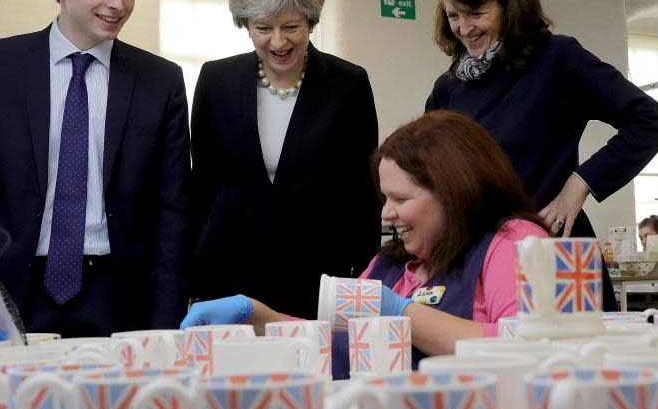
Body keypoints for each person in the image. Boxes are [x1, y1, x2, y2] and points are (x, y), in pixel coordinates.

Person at [0, 0, 190, 337]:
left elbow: (172, 212)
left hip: (120, 299)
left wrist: (167, 323)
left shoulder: (160, 81)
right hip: (15, 293)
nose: (118, 3)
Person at [181, 111, 552, 378]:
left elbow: (527, 347)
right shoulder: (390, 266)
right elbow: (332, 341)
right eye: (385, 198)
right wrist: (258, 318)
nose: (387, 213)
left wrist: (400, 313)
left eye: (401, 199)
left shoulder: (512, 242)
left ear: (455, 191)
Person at [424, 0, 658, 310]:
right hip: (476, 258)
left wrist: (580, 183)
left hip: (554, 255)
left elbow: (649, 121)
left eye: (476, 13)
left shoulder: (557, 60)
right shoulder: (448, 89)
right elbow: (429, 176)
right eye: (453, 16)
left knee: (575, 363)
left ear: (509, 7)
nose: (464, 28)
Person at [187, 0, 381, 320]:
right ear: (245, 24)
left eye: (291, 26)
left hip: (319, 279)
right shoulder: (216, 81)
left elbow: (364, 191)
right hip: (230, 276)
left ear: (310, 20)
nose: (278, 42)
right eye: (263, 28)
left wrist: (364, 276)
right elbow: (203, 185)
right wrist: (193, 275)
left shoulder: (348, 84)